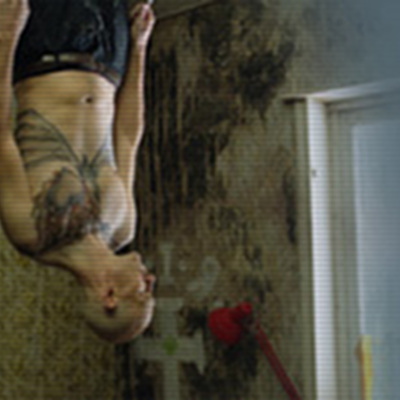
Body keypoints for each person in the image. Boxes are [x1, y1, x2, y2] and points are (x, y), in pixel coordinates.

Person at [0, 0, 156, 343]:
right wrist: (139, 48)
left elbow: (1, 137)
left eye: (143, 292)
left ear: (109, 296)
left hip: (47, 48)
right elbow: (128, 136)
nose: (151, 280)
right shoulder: (123, 226)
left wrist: (7, 34)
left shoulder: (32, 231)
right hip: (111, 58)